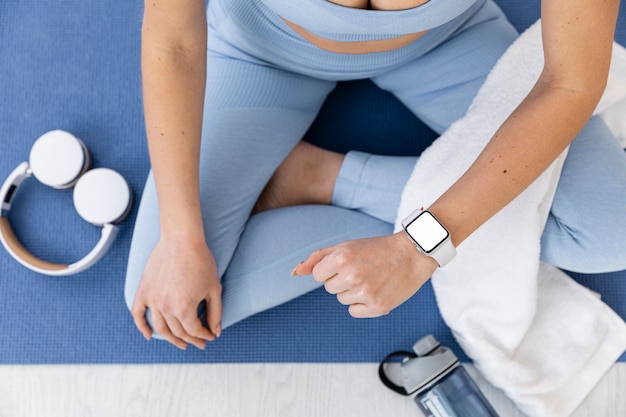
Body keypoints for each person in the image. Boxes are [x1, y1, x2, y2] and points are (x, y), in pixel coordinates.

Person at [125, 0, 626, 350]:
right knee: (174, 304)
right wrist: (181, 239)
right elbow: (173, 41)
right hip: (264, 49)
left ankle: (323, 177)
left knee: (611, 232)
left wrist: (419, 248)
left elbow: (569, 81)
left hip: (444, 41)